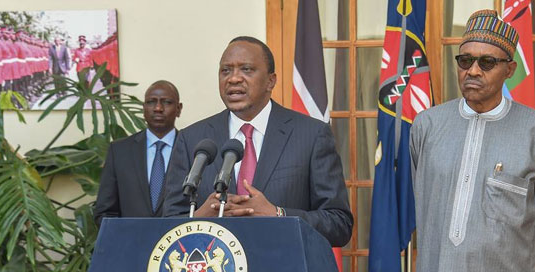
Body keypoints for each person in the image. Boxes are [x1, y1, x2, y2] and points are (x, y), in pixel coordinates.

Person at [409, 10, 535, 272]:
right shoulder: (427, 126)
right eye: (464, 60)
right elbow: (426, 208)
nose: (473, 71)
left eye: (486, 62)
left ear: (510, 69)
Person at [163, 36, 352, 247]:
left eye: (246, 69)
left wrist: (278, 214)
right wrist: (198, 218)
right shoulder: (193, 140)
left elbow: (339, 224)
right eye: (226, 70)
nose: (233, 79)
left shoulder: (312, 135)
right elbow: (166, 225)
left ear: (271, 81)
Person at [94, 80, 182, 226]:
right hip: (130, 244)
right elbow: (104, 212)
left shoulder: (192, 150)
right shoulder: (120, 151)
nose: (158, 108)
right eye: (151, 102)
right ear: (143, 108)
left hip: (177, 246)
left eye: (166, 102)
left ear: (178, 109)